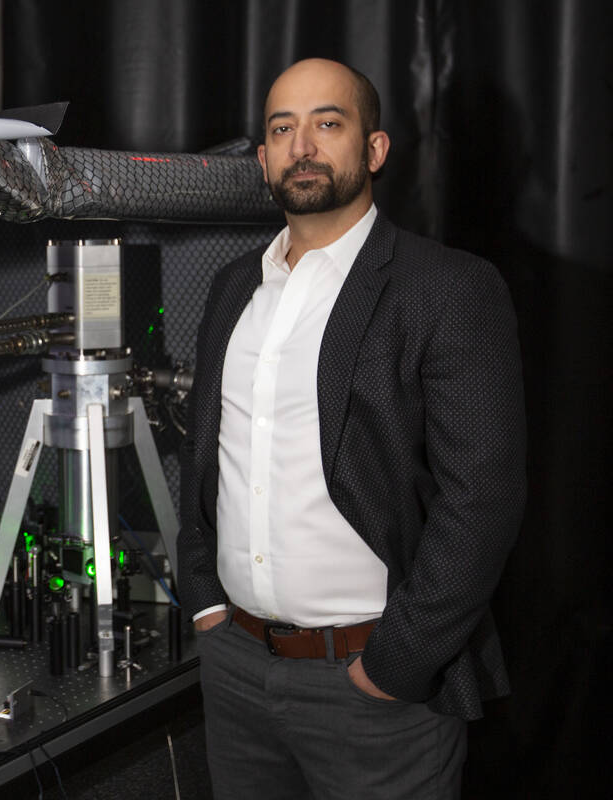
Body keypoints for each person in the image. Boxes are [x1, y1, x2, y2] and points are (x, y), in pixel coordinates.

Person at [176, 58, 526, 799]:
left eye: (327, 123)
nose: (302, 145)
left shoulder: (448, 288)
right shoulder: (233, 284)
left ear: (373, 149)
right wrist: (203, 595)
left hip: (373, 689)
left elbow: (482, 501)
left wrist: (395, 665)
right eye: (282, 128)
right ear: (264, 156)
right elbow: (209, 449)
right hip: (234, 669)